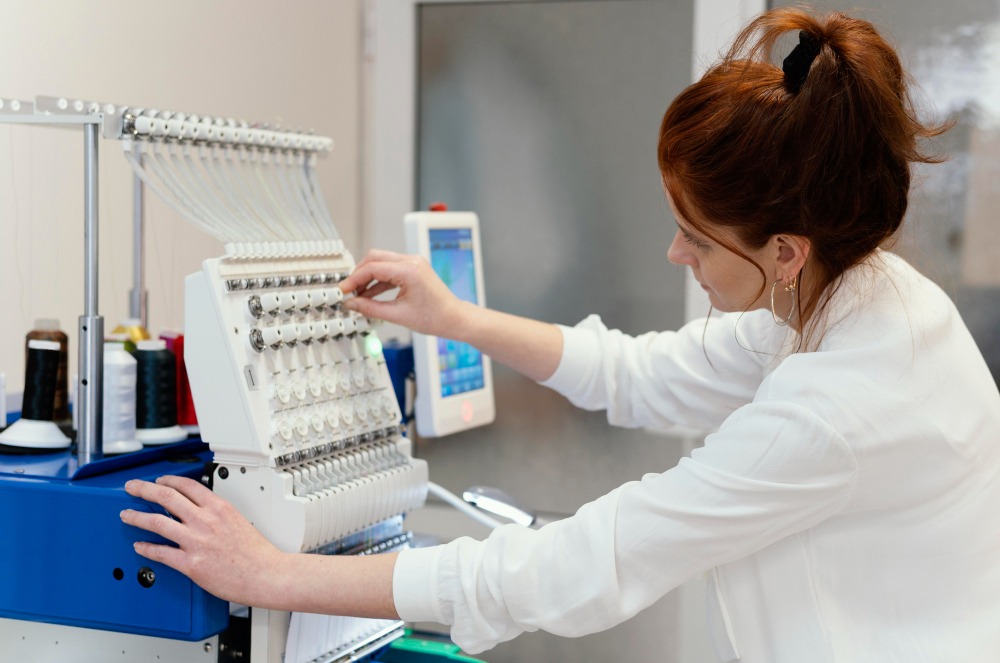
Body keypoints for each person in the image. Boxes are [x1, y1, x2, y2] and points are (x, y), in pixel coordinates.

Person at [121, 7, 1000, 661]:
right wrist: (454, 318)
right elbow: (640, 374)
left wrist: (272, 575)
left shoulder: (838, 406)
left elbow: (585, 562)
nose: (673, 251)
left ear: (782, 250)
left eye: (697, 237)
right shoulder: (848, 293)